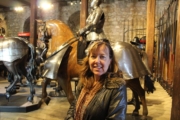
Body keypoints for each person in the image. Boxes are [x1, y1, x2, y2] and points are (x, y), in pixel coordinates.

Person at [65, 40, 127, 120]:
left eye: (102, 57)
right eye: (93, 56)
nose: (97, 61)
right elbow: (73, 106)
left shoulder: (117, 87)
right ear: (88, 59)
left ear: (110, 61)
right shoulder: (84, 81)